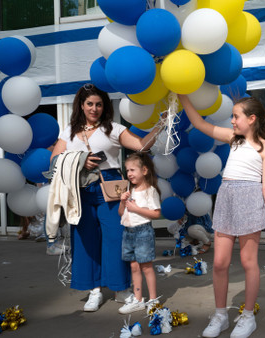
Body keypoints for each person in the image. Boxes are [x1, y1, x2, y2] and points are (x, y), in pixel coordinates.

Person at [50, 83, 164, 312]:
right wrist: (80, 160)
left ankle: (120, 288)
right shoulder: (68, 131)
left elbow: (142, 145)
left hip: (111, 187)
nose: (94, 108)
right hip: (79, 189)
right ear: (81, 105)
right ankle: (95, 290)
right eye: (90, 104)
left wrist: (161, 125)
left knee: (116, 238)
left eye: (99, 104)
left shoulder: (113, 128)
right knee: (85, 240)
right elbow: (53, 160)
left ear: (104, 106)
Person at [178, 94, 265, 338]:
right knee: (220, 262)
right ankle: (220, 315)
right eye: (232, 116)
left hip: (251, 200)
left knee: (248, 262)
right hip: (226, 198)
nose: (232, 121)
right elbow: (201, 124)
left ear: (251, 119)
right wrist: (183, 97)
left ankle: (248, 316)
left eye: (236, 116)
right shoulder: (233, 139)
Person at [117, 152, 162, 314]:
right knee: (134, 267)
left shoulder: (150, 191)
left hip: (143, 232)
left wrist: (137, 209)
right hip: (128, 232)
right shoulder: (130, 190)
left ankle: (153, 299)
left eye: (132, 170)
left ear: (144, 171)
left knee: (147, 267)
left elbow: (156, 213)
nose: (129, 174)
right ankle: (137, 299)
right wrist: (123, 202)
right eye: (127, 170)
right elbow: (121, 213)